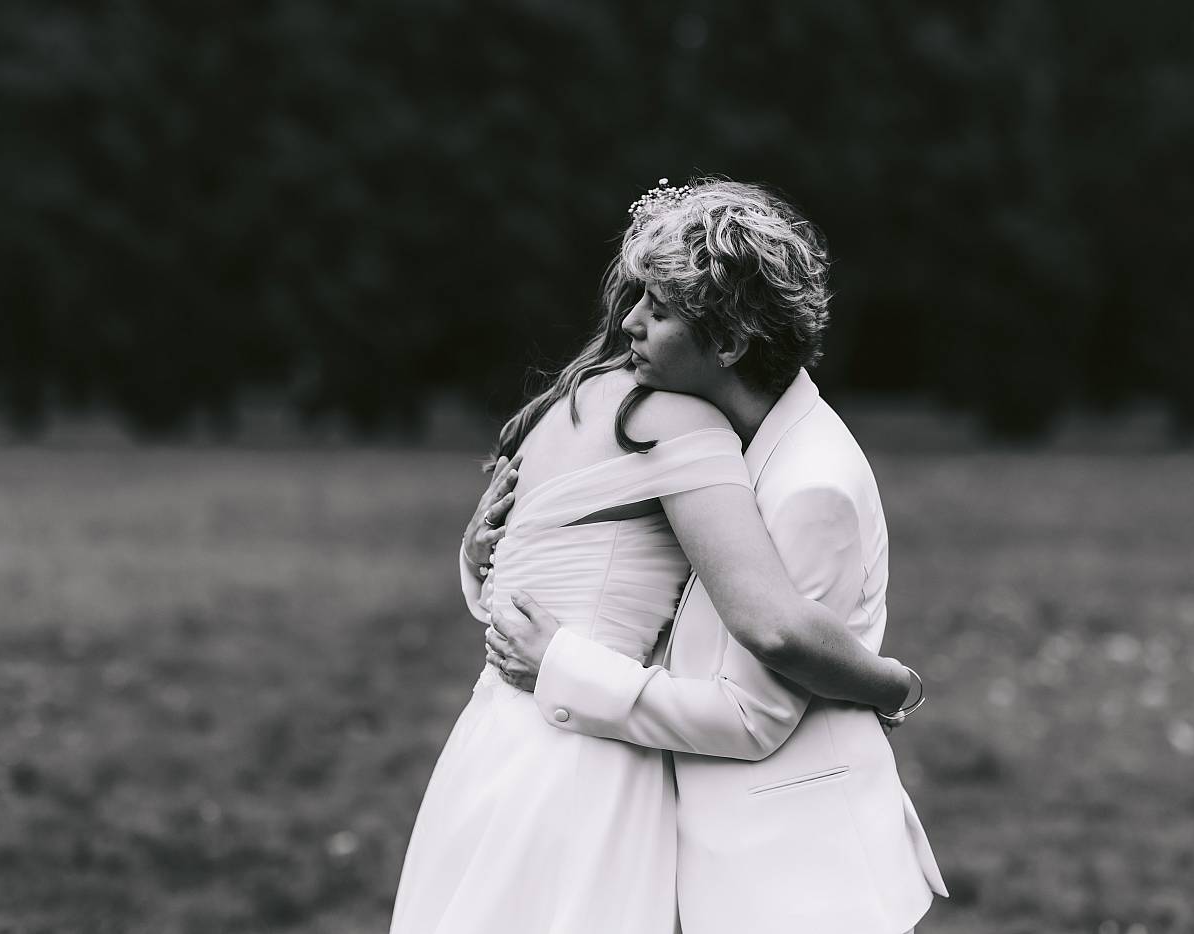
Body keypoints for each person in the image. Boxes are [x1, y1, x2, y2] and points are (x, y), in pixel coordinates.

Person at [386, 178, 931, 934]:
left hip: (794, 868)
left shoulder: (810, 483)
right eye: (637, 298)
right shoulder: (685, 427)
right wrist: (487, 558)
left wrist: (891, 685)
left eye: (660, 310)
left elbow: (758, 697)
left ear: (732, 343)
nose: (630, 324)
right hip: (607, 781)